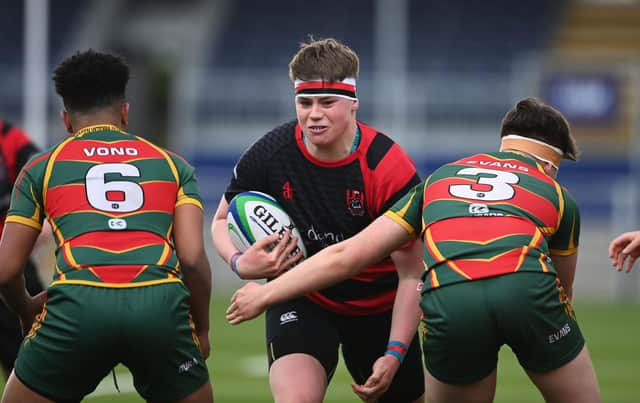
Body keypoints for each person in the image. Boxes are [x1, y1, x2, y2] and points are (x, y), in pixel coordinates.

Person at [226, 97, 602, 403]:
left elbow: (347, 255)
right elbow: (561, 293)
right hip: (527, 289)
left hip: (450, 298)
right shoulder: (556, 194)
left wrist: (265, 293)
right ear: (552, 163)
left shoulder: (439, 179)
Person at [211, 38, 425, 403]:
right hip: (300, 296)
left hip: (378, 307)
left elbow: (411, 274)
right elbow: (220, 219)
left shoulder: (387, 166)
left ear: (354, 103)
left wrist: (394, 353)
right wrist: (238, 260)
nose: (314, 114)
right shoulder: (271, 153)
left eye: (327, 102)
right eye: (304, 102)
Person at [0, 49, 214, 402]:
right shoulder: (174, 165)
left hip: (77, 304)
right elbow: (191, 258)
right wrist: (201, 329)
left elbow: (7, 270)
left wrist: (26, 309)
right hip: (158, 305)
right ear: (125, 113)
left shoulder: (41, 168)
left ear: (66, 120)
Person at [0, 119, 47, 380]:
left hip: (10, 260)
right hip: (11, 263)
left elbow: (45, 195)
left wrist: (16, 247)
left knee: (29, 362)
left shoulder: (11, 139)